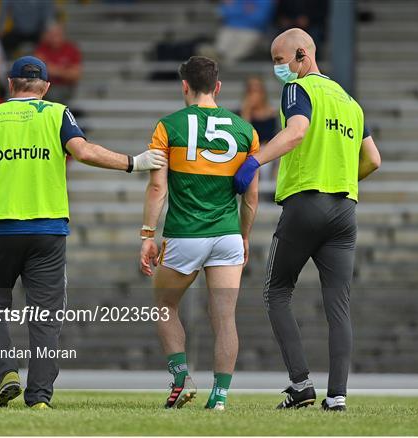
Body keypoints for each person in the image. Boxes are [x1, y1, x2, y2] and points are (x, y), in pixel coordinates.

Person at [0, 56, 166, 409]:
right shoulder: (56, 113)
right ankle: (40, 399)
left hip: (1, 231)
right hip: (48, 231)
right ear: (46, 87)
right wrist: (133, 162)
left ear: (9, 83)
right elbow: (83, 151)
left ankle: (5, 374)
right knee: (46, 315)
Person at [233, 28, 381, 411]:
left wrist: (254, 162)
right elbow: (374, 159)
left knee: (276, 291)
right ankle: (337, 397)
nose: (277, 69)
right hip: (345, 210)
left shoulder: (299, 90)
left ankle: (300, 386)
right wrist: (345, 181)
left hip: (306, 205)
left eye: (280, 61)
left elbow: (296, 132)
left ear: (302, 55)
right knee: (339, 304)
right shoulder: (350, 102)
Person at [140, 56, 259, 411]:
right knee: (224, 318)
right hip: (226, 236)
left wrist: (148, 234)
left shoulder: (168, 126)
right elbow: (250, 198)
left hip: (185, 234)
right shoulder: (245, 130)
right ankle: (220, 397)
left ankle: (181, 378)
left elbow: (158, 188)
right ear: (218, 87)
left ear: (184, 86)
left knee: (164, 305)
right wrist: (244, 236)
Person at [201, 0, 275, 64]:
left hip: (252, 30)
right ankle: (217, 57)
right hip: (231, 27)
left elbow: (259, 18)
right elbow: (223, 12)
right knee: (223, 41)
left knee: (235, 52)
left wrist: (236, 10)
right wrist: (245, 11)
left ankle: (221, 61)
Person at [240, 76, 278, 185]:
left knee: (267, 164)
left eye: (257, 90)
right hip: (250, 150)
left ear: (263, 93)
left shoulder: (272, 113)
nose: (254, 95)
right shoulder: (242, 113)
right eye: (251, 91)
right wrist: (246, 110)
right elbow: (244, 135)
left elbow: (274, 136)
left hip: (267, 149)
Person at [35, 22, 81, 103]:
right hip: (44, 86)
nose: (54, 37)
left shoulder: (71, 49)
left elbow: (75, 75)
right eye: (52, 34)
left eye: (57, 34)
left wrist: (52, 69)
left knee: (54, 94)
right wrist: (63, 71)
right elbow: (37, 70)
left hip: (64, 87)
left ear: (63, 35)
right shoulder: (42, 47)